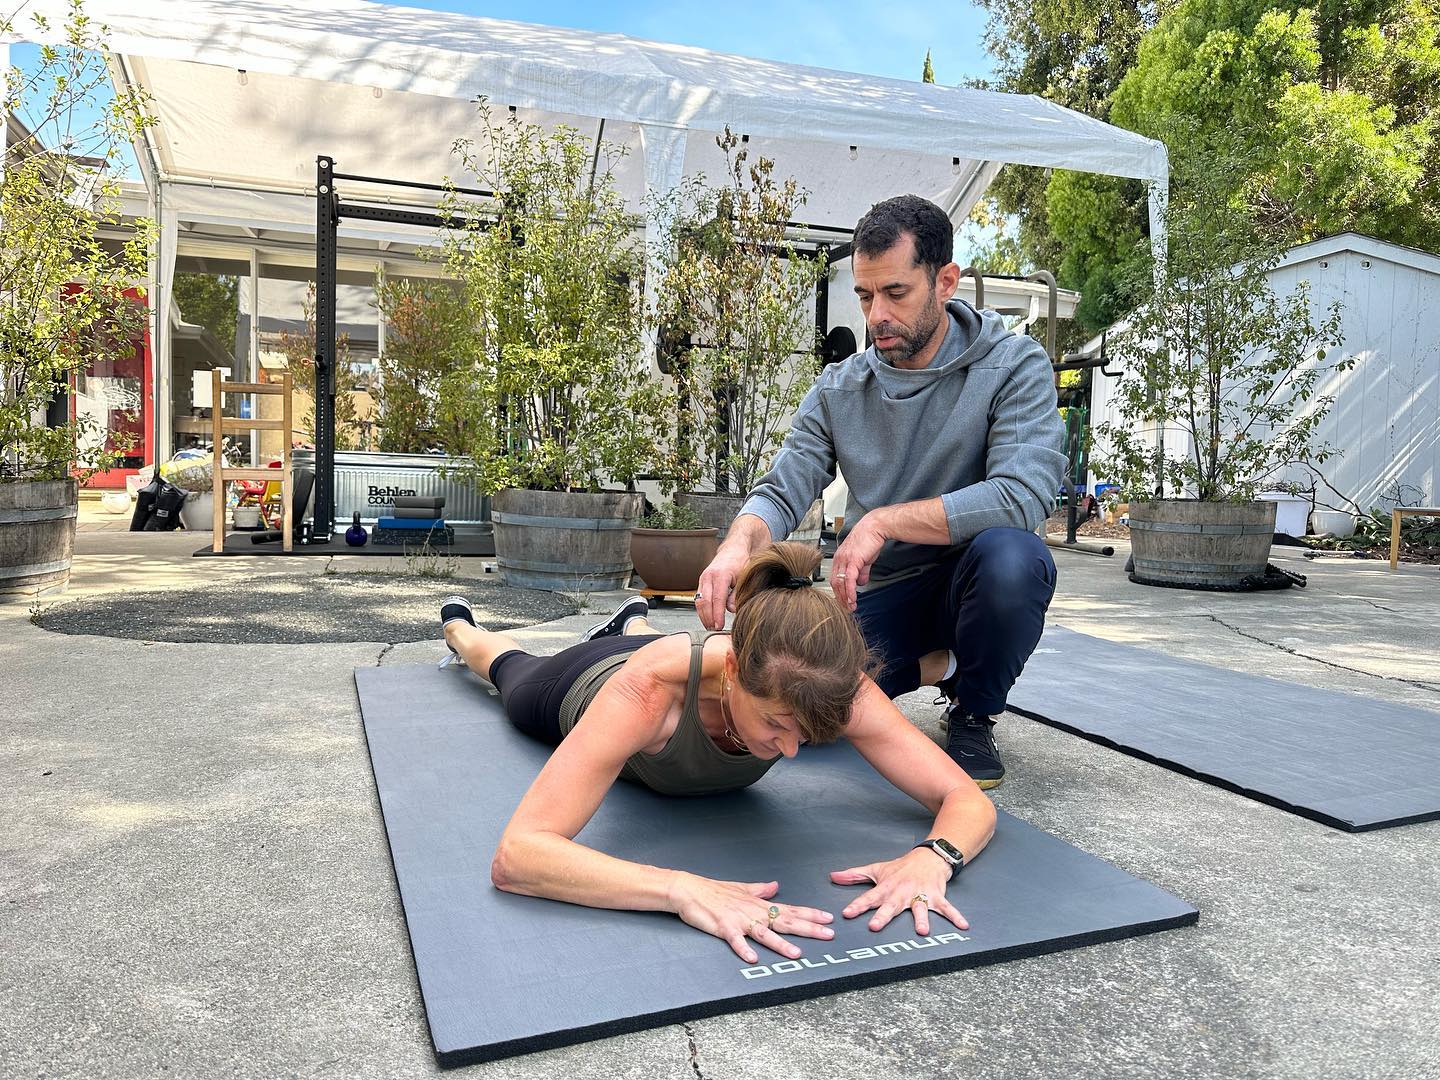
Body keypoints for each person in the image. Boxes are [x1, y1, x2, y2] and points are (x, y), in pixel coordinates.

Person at [439, 543, 996, 965]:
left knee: (648, 646)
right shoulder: (646, 695)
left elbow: (964, 798)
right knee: (510, 673)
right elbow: (518, 857)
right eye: (778, 725)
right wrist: (680, 889)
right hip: (585, 679)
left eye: (809, 734)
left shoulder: (829, 684)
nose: (792, 752)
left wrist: (935, 856)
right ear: (731, 673)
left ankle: (635, 621)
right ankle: (460, 627)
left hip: (684, 659)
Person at [697, 194, 1065, 789]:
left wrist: (882, 521)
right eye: (865, 297)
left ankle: (973, 708)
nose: (877, 317)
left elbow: (1023, 494)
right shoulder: (841, 387)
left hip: (975, 574)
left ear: (946, 281)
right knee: (806, 720)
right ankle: (937, 665)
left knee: (1015, 558)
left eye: (896, 293)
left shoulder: (1012, 363)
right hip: (881, 592)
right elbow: (786, 484)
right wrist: (739, 543)